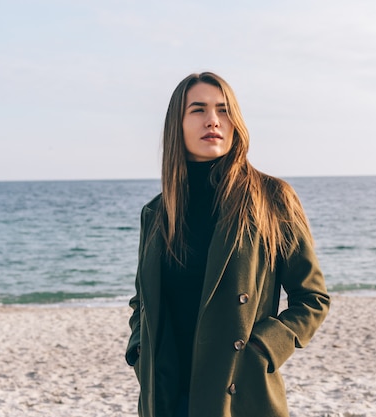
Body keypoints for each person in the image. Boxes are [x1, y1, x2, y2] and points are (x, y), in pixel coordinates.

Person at [125, 71, 330, 417]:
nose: (213, 121)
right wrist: (139, 351)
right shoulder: (157, 212)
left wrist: (264, 349)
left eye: (223, 110)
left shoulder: (272, 199)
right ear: (177, 124)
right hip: (165, 397)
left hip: (238, 394)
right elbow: (142, 301)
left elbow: (312, 298)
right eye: (198, 110)